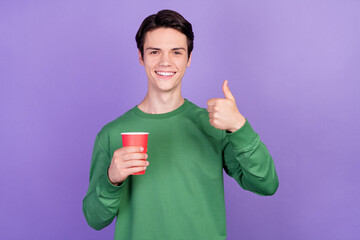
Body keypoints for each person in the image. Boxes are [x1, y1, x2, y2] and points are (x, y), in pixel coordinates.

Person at [82, 9, 279, 240]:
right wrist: (111, 178)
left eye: (176, 52)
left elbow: (266, 184)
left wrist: (239, 127)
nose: (165, 61)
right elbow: (94, 219)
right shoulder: (111, 134)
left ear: (189, 59)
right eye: (155, 51)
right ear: (140, 57)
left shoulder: (214, 126)